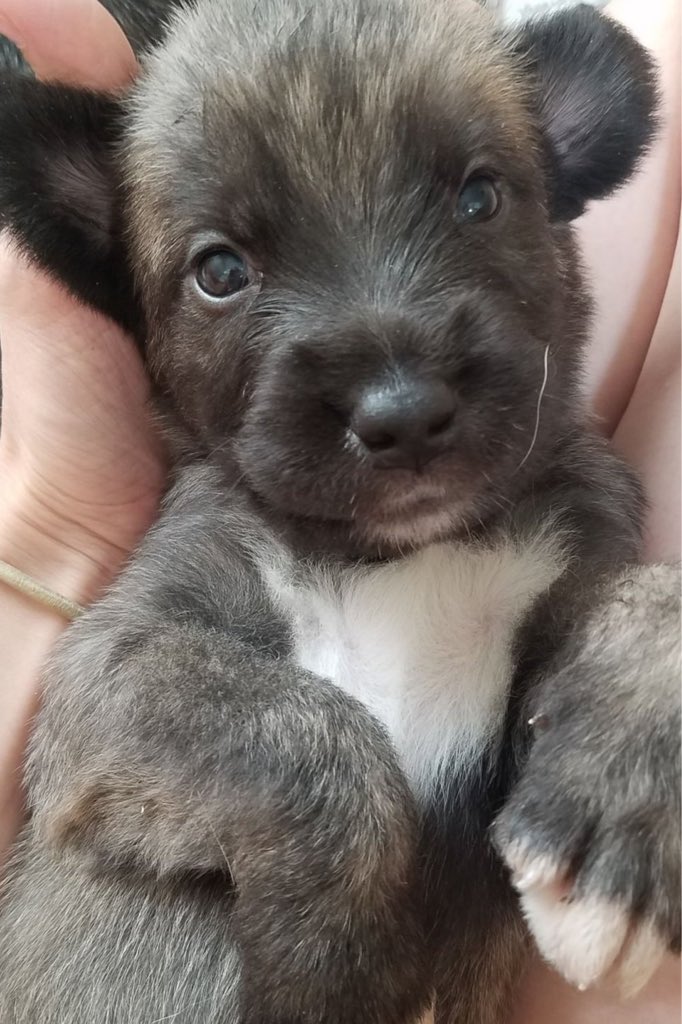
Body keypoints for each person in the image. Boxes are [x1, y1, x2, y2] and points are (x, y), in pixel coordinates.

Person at [0, 0, 678, 1020]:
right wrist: (316, 799)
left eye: (476, 198)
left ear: (567, 146)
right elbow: (104, 701)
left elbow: (614, 648)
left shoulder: (581, 515)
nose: (397, 396)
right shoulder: (223, 534)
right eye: (221, 270)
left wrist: (655, 662)